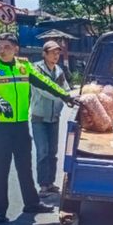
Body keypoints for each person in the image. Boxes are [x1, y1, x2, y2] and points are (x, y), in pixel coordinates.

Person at [0, 33, 78, 224]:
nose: (1, 50)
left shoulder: (24, 66)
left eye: (6, 46)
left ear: (16, 49)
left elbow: (44, 81)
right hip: (0, 126)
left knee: (25, 165)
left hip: (21, 124)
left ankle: (31, 203)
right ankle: (0, 210)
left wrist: (65, 95)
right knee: (1, 167)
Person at [30, 40, 71, 197]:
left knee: (53, 152)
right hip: (39, 117)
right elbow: (43, 91)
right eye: (52, 52)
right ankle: (43, 185)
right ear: (44, 54)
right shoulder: (36, 70)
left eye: (58, 52)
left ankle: (51, 183)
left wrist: (70, 98)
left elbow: (66, 89)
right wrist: (63, 97)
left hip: (54, 117)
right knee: (43, 151)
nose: (56, 55)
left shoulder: (58, 71)